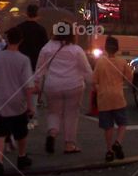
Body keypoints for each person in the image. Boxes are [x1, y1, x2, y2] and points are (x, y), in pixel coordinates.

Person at [34, 23, 93, 154]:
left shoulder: (47, 48)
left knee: (53, 112)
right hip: (74, 85)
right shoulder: (76, 50)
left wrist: (36, 83)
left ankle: (52, 133)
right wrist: (94, 83)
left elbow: (40, 68)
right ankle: (69, 144)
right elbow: (86, 70)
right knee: (71, 114)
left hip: (52, 85)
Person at [0, 26, 35, 176]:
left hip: (0, 99)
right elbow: (28, 85)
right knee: (21, 131)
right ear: (21, 40)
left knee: (0, 131)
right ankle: (22, 156)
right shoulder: (23, 60)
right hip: (18, 100)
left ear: (7, 39)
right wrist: (31, 106)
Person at [93, 36, 134, 162]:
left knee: (108, 126)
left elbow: (95, 81)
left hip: (104, 98)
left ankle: (109, 150)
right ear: (117, 49)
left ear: (105, 48)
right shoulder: (121, 62)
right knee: (122, 123)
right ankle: (118, 142)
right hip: (118, 97)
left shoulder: (100, 62)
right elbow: (129, 79)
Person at [17, 5, 49, 70]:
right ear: (37, 14)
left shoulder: (19, 28)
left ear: (27, 13)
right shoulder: (41, 29)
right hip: (35, 62)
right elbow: (45, 47)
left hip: (20, 61)